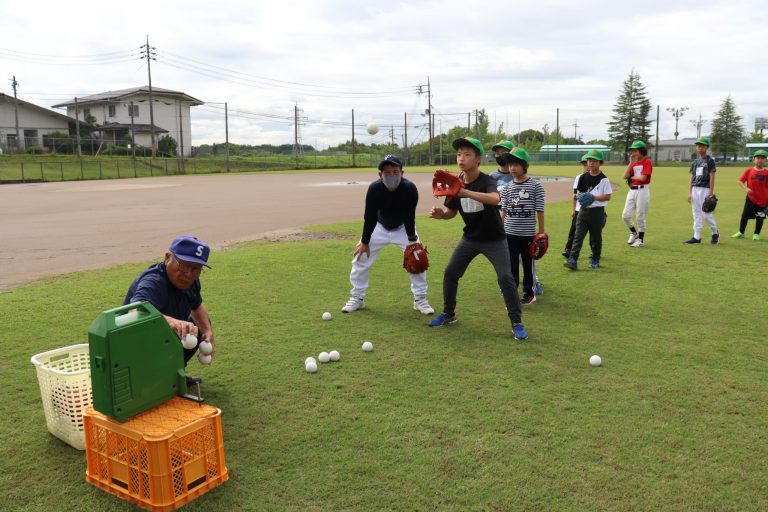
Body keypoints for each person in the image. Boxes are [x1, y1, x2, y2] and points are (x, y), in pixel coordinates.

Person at [428, 137, 528, 340]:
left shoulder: (486, 180)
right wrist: (442, 214)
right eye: (458, 154)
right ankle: (449, 314)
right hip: (471, 238)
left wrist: (465, 191)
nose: (461, 158)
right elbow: (452, 211)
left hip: (494, 239)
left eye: (467, 154)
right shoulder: (455, 182)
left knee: (505, 278)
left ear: (478, 159)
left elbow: (495, 199)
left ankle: (516, 322)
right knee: (451, 272)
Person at [341, 154, 434, 315]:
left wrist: (412, 242)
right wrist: (364, 242)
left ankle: (420, 300)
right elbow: (369, 216)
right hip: (379, 227)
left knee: (417, 260)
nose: (392, 175)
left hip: (403, 229)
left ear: (402, 173)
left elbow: (409, 216)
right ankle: (358, 298)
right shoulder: (374, 188)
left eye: (395, 172)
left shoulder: (409, 188)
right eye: (387, 172)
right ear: (380, 175)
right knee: (360, 258)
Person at [124, 235, 215, 370]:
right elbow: (136, 312)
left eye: (196, 269)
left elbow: (197, 306)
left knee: (196, 325)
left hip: (162, 337)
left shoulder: (192, 281)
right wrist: (174, 323)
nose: (189, 274)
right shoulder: (153, 282)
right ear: (167, 258)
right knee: (181, 328)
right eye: (184, 266)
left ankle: (175, 372)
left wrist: (207, 331)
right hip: (133, 342)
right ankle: (161, 375)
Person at [491, 139, 544, 296]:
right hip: (509, 228)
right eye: (498, 152)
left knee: (527, 262)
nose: (511, 167)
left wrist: (541, 232)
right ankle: (509, 289)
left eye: (503, 152)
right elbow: (502, 209)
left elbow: (539, 209)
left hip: (526, 230)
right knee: (509, 262)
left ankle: (532, 286)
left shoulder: (534, 185)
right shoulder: (496, 179)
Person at [564, 149, 612, 269]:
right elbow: (579, 195)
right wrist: (580, 197)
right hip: (583, 211)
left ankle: (595, 259)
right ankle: (573, 260)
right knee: (578, 237)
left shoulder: (604, 179)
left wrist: (593, 197)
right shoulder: (582, 178)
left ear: (600, 163)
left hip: (597, 212)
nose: (591, 163)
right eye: (589, 160)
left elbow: (608, 196)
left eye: (594, 161)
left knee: (596, 238)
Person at [685, 136, 719, 244]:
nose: (699, 147)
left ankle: (715, 233)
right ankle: (697, 237)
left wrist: (711, 193)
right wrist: (690, 192)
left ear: (706, 147)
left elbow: (712, 176)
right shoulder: (695, 161)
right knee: (696, 213)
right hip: (695, 189)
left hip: (705, 189)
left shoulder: (710, 161)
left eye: (702, 146)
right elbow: (692, 177)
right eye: (698, 145)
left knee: (707, 214)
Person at [622, 140, 653, 248]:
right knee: (625, 215)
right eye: (632, 150)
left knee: (640, 216)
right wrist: (630, 163)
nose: (633, 153)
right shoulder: (634, 163)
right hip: (632, 190)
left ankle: (640, 240)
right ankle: (634, 233)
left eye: (635, 150)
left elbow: (643, 178)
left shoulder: (647, 162)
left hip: (643, 190)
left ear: (642, 151)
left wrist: (633, 177)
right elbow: (625, 176)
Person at [732, 149, 768, 241]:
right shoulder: (749, 171)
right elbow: (740, 181)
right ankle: (741, 232)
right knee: (744, 216)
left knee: (760, 217)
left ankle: (756, 234)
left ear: (765, 161)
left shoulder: (767, 172)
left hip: (763, 200)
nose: (759, 160)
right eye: (758, 158)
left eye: (762, 158)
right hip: (751, 199)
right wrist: (746, 188)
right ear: (753, 159)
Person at [562, 154, 589, 257]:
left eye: (587, 162)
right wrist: (573, 209)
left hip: (592, 210)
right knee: (573, 230)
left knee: (593, 233)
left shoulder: (597, 177)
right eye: (584, 163)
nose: (586, 165)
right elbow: (574, 195)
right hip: (579, 209)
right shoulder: (579, 177)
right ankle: (568, 249)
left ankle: (594, 252)